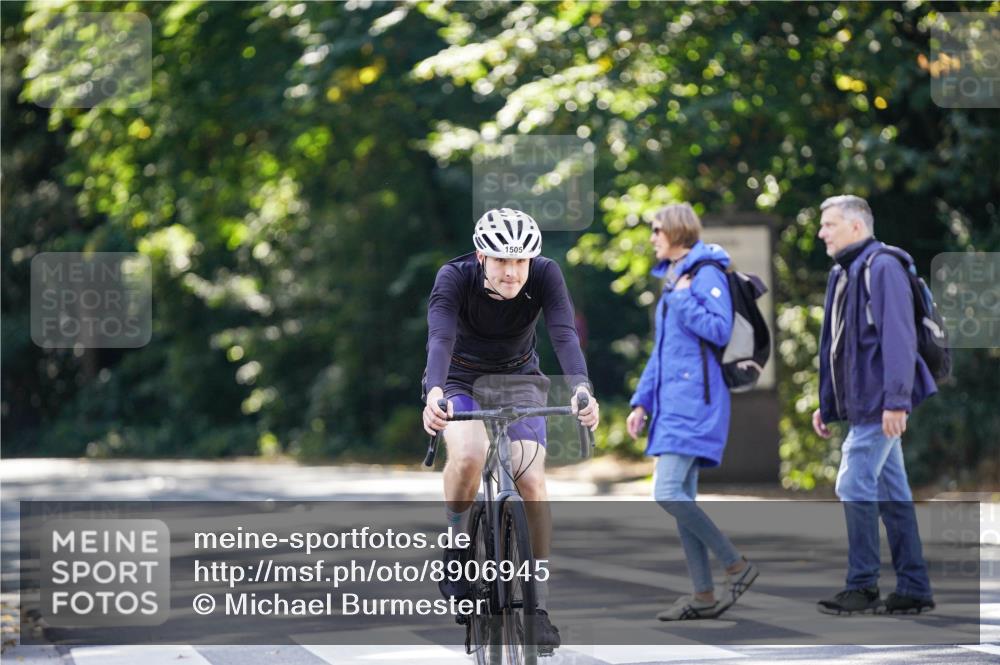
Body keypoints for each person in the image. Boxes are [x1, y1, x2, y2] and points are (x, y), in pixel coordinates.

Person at [421, 207, 600, 649]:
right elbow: (439, 338)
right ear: (482, 257)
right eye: (503, 260)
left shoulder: (546, 275)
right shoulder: (454, 277)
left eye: (521, 261)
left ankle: (537, 605)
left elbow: (563, 334)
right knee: (467, 455)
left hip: (520, 381)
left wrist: (582, 389)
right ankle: (457, 547)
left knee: (532, 482)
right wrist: (434, 392)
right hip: (460, 380)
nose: (513, 272)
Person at [626, 203, 758, 621]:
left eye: (657, 230)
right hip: (672, 404)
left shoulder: (705, 274)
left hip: (696, 403)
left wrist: (683, 300)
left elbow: (720, 330)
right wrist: (641, 402)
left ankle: (736, 564)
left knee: (667, 493)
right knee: (680, 498)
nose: (652, 237)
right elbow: (663, 354)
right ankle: (702, 594)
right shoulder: (674, 280)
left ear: (678, 231)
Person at [813, 194, 937, 615]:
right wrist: (827, 404)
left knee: (852, 484)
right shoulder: (843, 273)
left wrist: (897, 400)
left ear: (856, 226)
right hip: (864, 404)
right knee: (893, 493)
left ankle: (862, 586)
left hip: (879, 406)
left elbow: (898, 338)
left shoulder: (881, 267)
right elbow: (838, 348)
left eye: (829, 224)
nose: (821, 233)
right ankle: (914, 586)